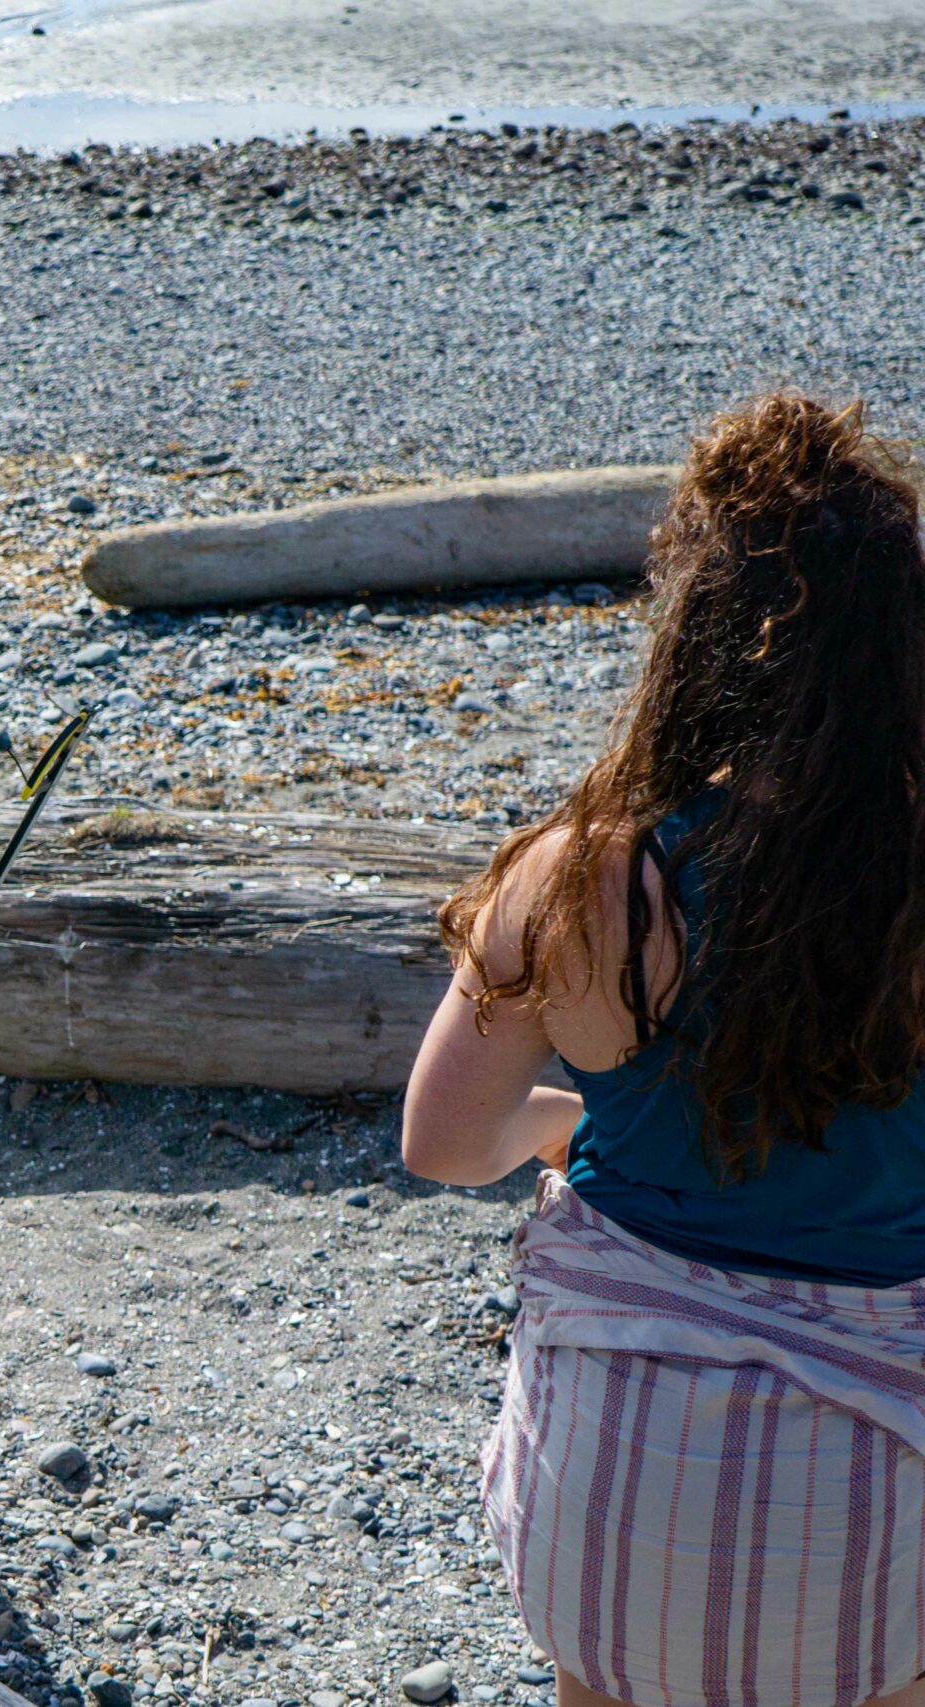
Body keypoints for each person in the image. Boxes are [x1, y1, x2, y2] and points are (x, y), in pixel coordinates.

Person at [404, 393, 925, 1707]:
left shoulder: (580, 876)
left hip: (605, 1528)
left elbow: (443, 1142)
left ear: (691, 635)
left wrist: (554, 1127)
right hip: (867, 1539)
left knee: (607, 1661)